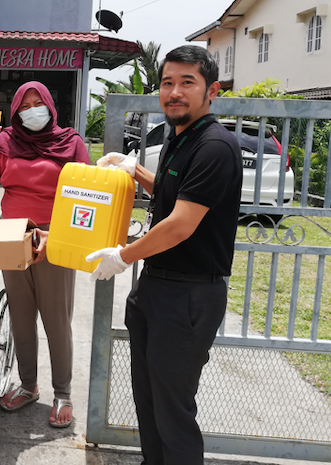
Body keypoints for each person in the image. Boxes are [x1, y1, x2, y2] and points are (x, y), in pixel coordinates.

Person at [87, 45, 243, 465]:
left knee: (173, 412)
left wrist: (123, 255)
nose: (174, 92)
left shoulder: (215, 146)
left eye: (187, 82)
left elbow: (180, 225)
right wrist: (134, 171)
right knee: (149, 401)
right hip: (156, 288)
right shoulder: (180, 138)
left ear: (212, 91)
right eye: (167, 82)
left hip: (188, 297)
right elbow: (174, 194)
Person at [0, 81, 90, 428]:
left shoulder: (71, 142)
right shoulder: (5, 141)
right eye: (24, 105)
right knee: (21, 319)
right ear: (15, 111)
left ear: (50, 106)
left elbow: (86, 195)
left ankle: (63, 392)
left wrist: (59, 235)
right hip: (13, 237)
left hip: (55, 239)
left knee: (56, 321)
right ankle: (28, 385)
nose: (32, 110)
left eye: (38, 103)